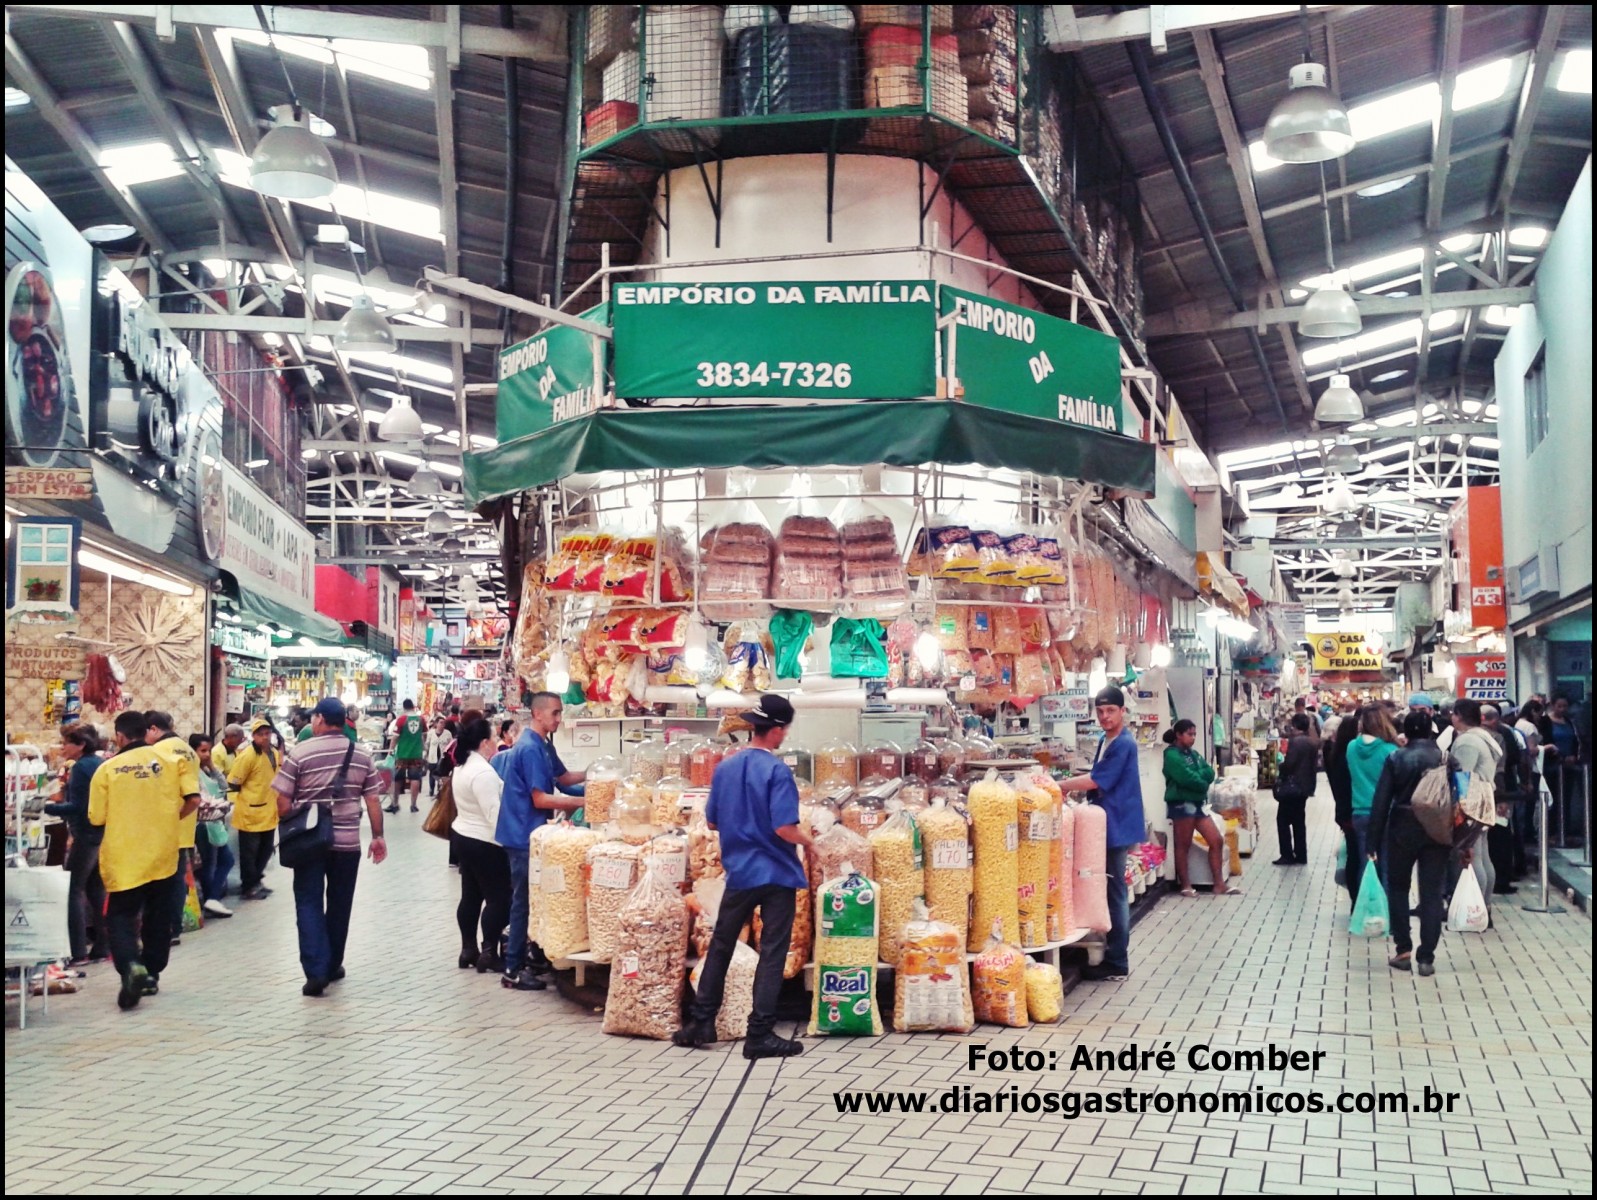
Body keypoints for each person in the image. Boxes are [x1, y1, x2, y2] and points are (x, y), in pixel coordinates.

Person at [673, 695, 815, 1059]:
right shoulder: (777, 771)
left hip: (739, 872)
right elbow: (784, 828)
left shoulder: (726, 768)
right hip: (776, 873)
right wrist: (809, 841)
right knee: (772, 952)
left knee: (721, 945)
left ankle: (701, 1022)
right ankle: (760, 1034)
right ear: (779, 731)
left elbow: (713, 821)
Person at [272, 698, 388, 996]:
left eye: (314, 718)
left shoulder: (300, 753)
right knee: (340, 904)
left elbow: (282, 802)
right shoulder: (361, 755)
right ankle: (333, 963)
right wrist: (378, 836)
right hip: (347, 844)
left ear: (321, 719)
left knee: (308, 902)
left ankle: (315, 971)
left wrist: (301, 810)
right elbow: (373, 799)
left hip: (309, 842)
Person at [88, 710, 200, 1010]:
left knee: (121, 917)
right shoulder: (170, 761)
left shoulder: (108, 769)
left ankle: (131, 967)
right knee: (158, 917)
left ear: (120, 737)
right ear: (146, 732)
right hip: (164, 854)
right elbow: (193, 798)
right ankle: (151, 972)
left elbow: (96, 817)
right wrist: (168, 820)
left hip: (124, 858)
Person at [495, 692, 587, 991]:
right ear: (538, 714)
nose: (559, 719)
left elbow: (563, 778)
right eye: (556, 713)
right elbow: (541, 798)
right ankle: (512, 968)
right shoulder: (530, 748)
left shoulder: (544, 744)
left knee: (535, 899)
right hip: (523, 834)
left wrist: (600, 776)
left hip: (533, 833)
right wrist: (586, 802)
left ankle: (531, 955)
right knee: (523, 901)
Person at [1060, 686, 1144, 982]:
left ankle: (1117, 960)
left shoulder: (1124, 743)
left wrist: (1060, 786)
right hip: (1106, 823)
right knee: (1109, 889)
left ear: (1123, 711)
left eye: (1110, 711)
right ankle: (1107, 951)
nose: (1105, 716)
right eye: (1100, 711)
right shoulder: (1105, 740)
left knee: (1116, 892)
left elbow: (1097, 780)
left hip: (1115, 823)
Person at [1367, 712, 1448, 976]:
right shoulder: (1444, 758)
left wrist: (1372, 841)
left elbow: (1381, 801)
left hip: (1402, 826)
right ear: (1430, 731)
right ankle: (1426, 957)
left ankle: (1403, 949)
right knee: (1432, 892)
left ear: (1407, 732)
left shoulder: (1396, 758)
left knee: (1399, 887)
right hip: (1437, 827)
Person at [450, 717, 511, 973]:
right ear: (484, 742)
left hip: (463, 837)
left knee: (471, 896)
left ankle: (468, 949)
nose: (496, 743)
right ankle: (488, 952)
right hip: (485, 842)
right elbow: (493, 814)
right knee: (499, 899)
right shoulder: (483, 772)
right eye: (493, 738)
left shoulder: (462, 766)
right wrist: (510, 841)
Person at [44, 724, 107, 965]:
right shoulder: (98, 763)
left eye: (66, 743)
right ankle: (102, 946)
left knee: (73, 890)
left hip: (86, 835)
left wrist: (43, 806)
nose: (62, 748)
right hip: (100, 833)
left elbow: (78, 807)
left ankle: (78, 951)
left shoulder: (81, 767)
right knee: (95, 889)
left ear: (80, 744)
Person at [1161, 720, 1240, 897]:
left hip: (1197, 804)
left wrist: (1201, 779)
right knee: (1183, 844)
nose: (1193, 738)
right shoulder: (1171, 755)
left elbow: (1209, 772)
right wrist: (1202, 782)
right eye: (1190, 734)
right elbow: (1186, 778)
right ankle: (1186, 885)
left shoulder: (1193, 754)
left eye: (1194, 734)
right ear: (1179, 735)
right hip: (1182, 804)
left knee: (1216, 840)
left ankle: (1219, 884)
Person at [146, 711, 201, 946]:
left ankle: (162, 928)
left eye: (145, 732)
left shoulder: (159, 751)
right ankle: (174, 927)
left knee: (159, 880)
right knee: (177, 879)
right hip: (184, 827)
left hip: (164, 825)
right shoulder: (187, 749)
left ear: (154, 729)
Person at [1449, 698, 1501, 911]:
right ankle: (1484, 905)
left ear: (1459, 715)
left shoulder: (1467, 741)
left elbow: (1462, 776)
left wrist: (1457, 808)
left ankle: (1476, 907)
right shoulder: (1484, 738)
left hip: (1471, 801)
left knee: (1472, 855)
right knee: (1482, 854)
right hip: (1485, 798)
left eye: (1453, 713)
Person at [1345, 706, 1400, 901]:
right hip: (1386, 812)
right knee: (1386, 864)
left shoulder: (1351, 747)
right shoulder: (1390, 750)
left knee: (1365, 862)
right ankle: (1384, 909)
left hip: (1359, 811)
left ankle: (1366, 906)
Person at [227, 717, 282, 900]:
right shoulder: (247, 755)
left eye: (267, 733)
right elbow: (234, 782)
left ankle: (257, 880)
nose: (265, 737)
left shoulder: (273, 753)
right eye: (261, 734)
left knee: (265, 850)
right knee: (249, 854)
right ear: (254, 736)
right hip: (251, 811)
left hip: (269, 811)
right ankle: (248, 887)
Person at [188, 734, 235, 919]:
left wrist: (212, 767)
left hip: (214, 822)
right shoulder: (192, 773)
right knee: (209, 865)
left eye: (208, 750)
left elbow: (224, 786)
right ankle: (211, 898)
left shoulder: (207, 770)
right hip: (203, 824)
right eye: (203, 751)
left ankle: (212, 898)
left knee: (224, 860)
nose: (207, 755)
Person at [1482, 705, 1527, 893]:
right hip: (1502, 791)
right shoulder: (1503, 735)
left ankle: (1496, 879)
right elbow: (1515, 761)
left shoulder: (1471, 736)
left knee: (1488, 840)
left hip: (1487, 792)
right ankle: (1502, 878)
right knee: (1502, 834)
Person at [1272, 714, 1319, 866]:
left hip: (1292, 787)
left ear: (1296, 725)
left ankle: (1286, 854)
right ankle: (1301, 854)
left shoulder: (1296, 742)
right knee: (1299, 821)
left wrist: (1280, 767)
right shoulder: (1311, 742)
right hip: (1305, 787)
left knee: (1283, 821)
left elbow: (1290, 764)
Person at [1324, 710, 1359, 904]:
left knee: (1353, 855)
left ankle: (1354, 898)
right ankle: (1361, 896)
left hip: (1344, 811)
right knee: (1361, 855)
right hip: (1356, 810)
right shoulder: (1352, 755)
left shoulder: (1335, 755)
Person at [387, 698, 428, 814]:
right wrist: (422, 746)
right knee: (415, 779)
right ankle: (413, 805)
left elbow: (395, 738)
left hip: (402, 754)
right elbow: (424, 735)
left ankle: (395, 803)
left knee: (397, 779)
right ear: (414, 706)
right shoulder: (421, 719)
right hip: (416, 754)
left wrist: (390, 751)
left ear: (404, 707)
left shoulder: (401, 720)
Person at [425, 717, 452, 797]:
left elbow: (451, 744)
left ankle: (439, 790)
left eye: (444, 723)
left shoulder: (447, 733)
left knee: (441, 775)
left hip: (443, 758)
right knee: (432, 774)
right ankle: (431, 790)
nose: (442, 725)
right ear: (436, 724)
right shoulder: (430, 733)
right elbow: (427, 744)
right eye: (440, 722)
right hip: (432, 757)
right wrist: (426, 754)